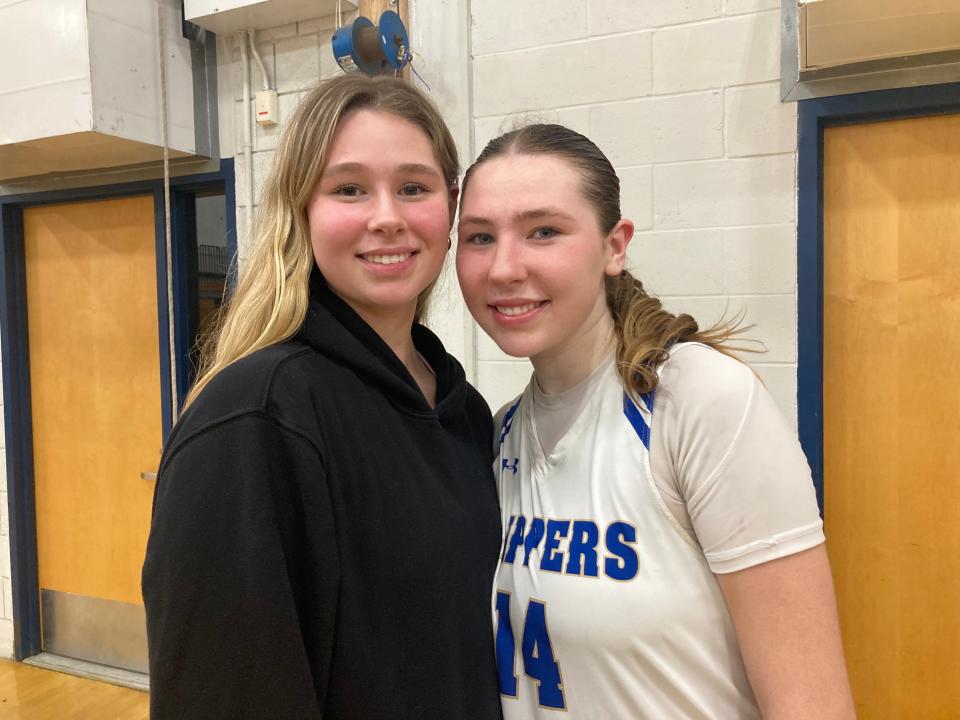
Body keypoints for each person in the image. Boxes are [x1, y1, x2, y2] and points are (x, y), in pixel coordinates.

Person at [455, 124, 855, 719]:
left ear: (615, 246)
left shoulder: (698, 401)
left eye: (544, 231)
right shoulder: (500, 431)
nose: (504, 267)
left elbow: (813, 706)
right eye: (480, 237)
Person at [142, 75, 503, 720]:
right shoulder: (255, 417)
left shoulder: (465, 412)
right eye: (349, 189)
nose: (387, 216)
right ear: (301, 212)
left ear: (449, 212)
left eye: (413, 187)